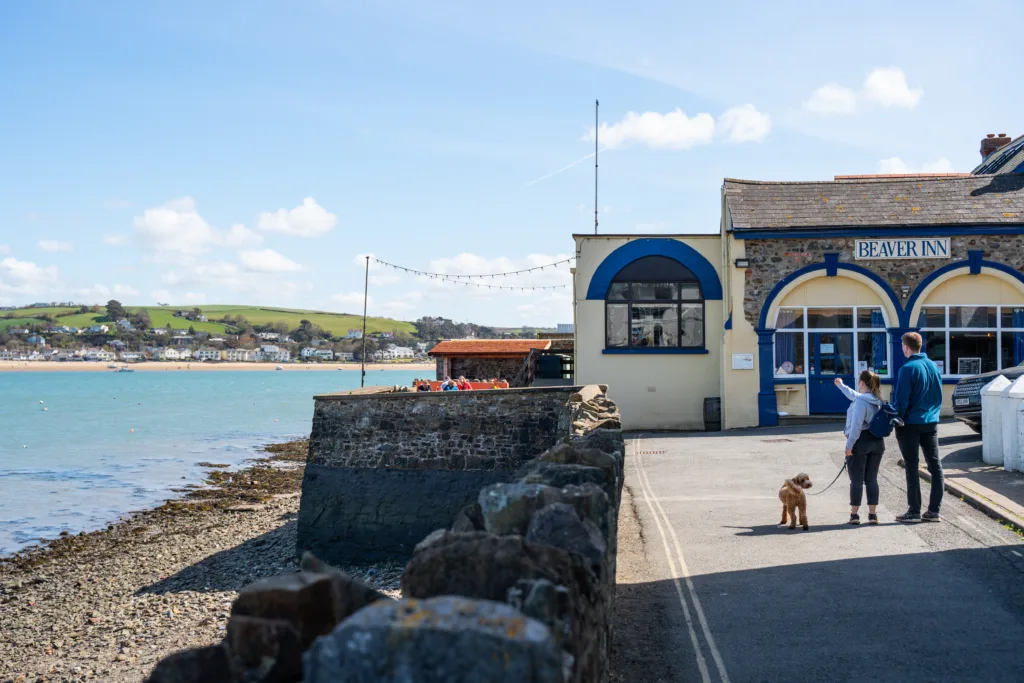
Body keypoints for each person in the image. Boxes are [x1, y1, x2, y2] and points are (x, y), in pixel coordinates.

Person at [891, 332, 944, 523]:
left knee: (911, 466)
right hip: (931, 421)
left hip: (911, 423)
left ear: (906, 347)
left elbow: (902, 401)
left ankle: (914, 511)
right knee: (935, 465)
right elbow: (939, 396)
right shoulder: (934, 366)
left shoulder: (908, 368)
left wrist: (895, 415)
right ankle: (934, 511)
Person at [835, 371, 885, 525]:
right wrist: (841, 386)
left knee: (856, 480)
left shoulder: (861, 402)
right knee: (871, 479)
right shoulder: (878, 400)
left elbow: (856, 427)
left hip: (861, 441)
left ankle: (855, 515)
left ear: (862, 383)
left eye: (859, 382)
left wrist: (848, 446)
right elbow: (854, 395)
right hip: (877, 442)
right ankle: (872, 515)